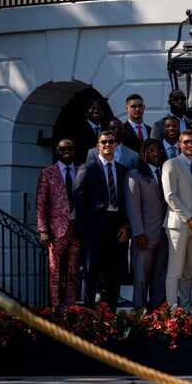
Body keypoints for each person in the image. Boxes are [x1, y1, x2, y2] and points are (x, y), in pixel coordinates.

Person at [71, 131, 131, 309]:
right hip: (95, 224)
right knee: (91, 271)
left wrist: (126, 224)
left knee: (114, 271)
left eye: (111, 142)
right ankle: (89, 315)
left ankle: (111, 315)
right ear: (98, 145)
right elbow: (77, 196)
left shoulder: (122, 170)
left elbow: (127, 200)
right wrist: (90, 221)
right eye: (103, 142)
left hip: (117, 224)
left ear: (115, 145)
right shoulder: (87, 168)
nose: (107, 145)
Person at [161, 129, 192, 311]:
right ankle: (172, 313)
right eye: (186, 142)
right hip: (178, 225)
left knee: (189, 272)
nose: (190, 145)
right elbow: (170, 196)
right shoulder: (171, 164)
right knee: (175, 271)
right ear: (180, 144)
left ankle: (186, 311)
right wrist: (189, 218)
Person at [36, 138, 81, 308]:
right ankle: (56, 307)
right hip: (56, 231)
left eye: (70, 148)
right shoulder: (48, 173)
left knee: (72, 271)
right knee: (55, 271)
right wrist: (43, 228)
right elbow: (41, 203)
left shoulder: (80, 171)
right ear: (57, 151)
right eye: (62, 149)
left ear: (74, 151)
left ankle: (69, 307)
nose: (66, 151)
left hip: (77, 228)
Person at [125, 139, 168, 311]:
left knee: (160, 278)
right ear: (144, 153)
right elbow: (132, 208)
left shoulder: (166, 173)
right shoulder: (134, 176)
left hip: (164, 235)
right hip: (144, 236)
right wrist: (138, 234)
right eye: (151, 150)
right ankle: (139, 313)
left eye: (158, 150)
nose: (156, 153)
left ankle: (157, 314)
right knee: (141, 278)